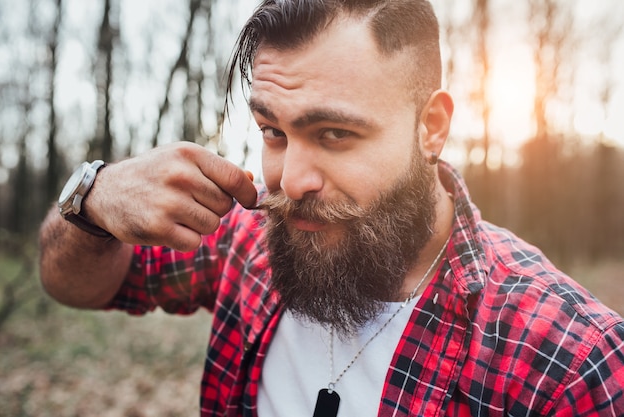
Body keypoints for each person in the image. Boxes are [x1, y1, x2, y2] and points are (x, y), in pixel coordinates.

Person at [39, 0, 624, 416]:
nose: (291, 181)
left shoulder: (568, 364)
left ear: (431, 127)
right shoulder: (251, 241)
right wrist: (93, 200)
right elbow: (77, 285)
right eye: (273, 131)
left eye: (335, 134)